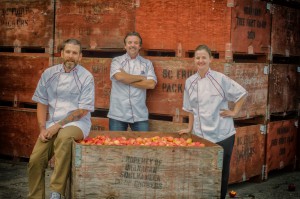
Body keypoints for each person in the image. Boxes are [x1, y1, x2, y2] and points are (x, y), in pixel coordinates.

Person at [27, 39, 95, 199]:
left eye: (75, 53)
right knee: (36, 159)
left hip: (77, 123)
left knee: (64, 139)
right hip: (51, 124)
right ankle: (35, 196)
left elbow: (82, 110)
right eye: (68, 52)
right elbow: (42, 102)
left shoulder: (86, 77)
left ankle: (56, 192)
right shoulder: (48, 74)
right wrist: (42, 128)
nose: (71, 56)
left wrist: (58, 126)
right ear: (62, 53)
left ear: (80, 57)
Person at [179, 44, 247, 199]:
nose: (200, 60)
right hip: (201, 136)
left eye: (204, 57)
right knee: (202, 171)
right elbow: (190, 109)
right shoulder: (190, 82)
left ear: (211, 59)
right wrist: (189, 129)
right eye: (198, 58)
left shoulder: (219, 79)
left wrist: (234, 112)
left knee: (221, 173)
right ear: (194, 60)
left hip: (222, 135)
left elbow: (241, 93)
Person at [107, 31, 157, 131]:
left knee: (142, 146)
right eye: (129, 42)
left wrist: (126, 78)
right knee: (115, 146)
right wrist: (141, 77)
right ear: (125, 46)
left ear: (140, 46)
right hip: (118, 114)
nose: (132, 45)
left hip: (139, 114)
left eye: (135, 43)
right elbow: (119, 77)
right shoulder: (117, 61)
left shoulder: (147, 64)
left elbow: (151, 84)